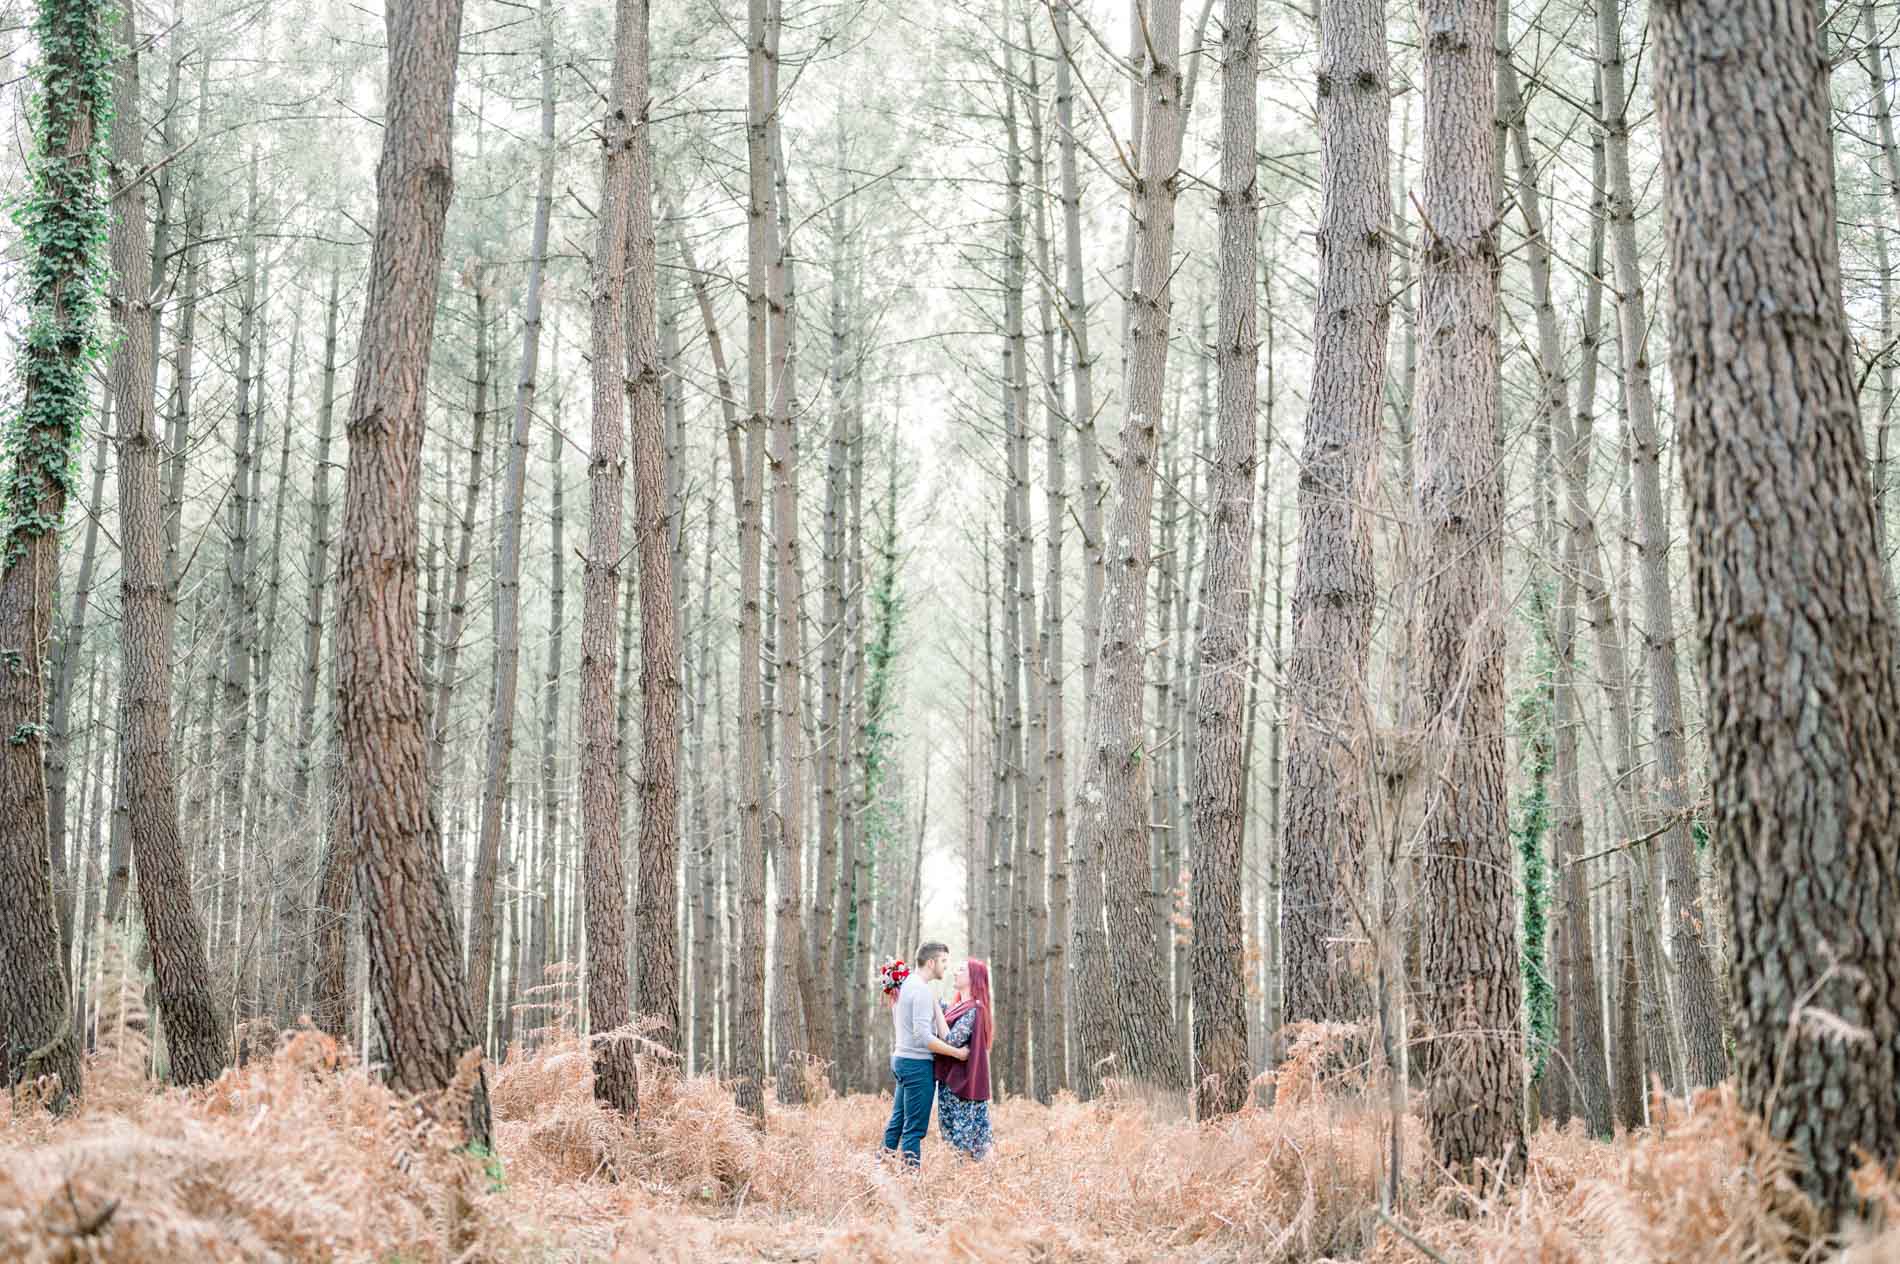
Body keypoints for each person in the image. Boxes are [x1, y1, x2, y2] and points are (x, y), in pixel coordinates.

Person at [881, 941, 965, 1169]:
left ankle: (880, 1173)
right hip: (916, 1065)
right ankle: (911, 1183)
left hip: (902, 1060)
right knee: (914, 1130)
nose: (946, 967)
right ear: (931, 962)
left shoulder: (907, 985)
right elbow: (923, 1037)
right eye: (944, 961)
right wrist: (957, 1053)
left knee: (898, 1123)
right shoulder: (919, 990)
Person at [934, 958, 993, 1159]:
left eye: (961, 969)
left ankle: (972, 1185)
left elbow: (951, 1040)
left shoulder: (975, 1009)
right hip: (949, 1085)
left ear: (973, 978)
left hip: (964, 1088)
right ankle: (960, 1184)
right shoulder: (956, 1006)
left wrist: (935, 1008)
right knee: (951, 1141)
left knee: (964, 1145)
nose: (955, 972)